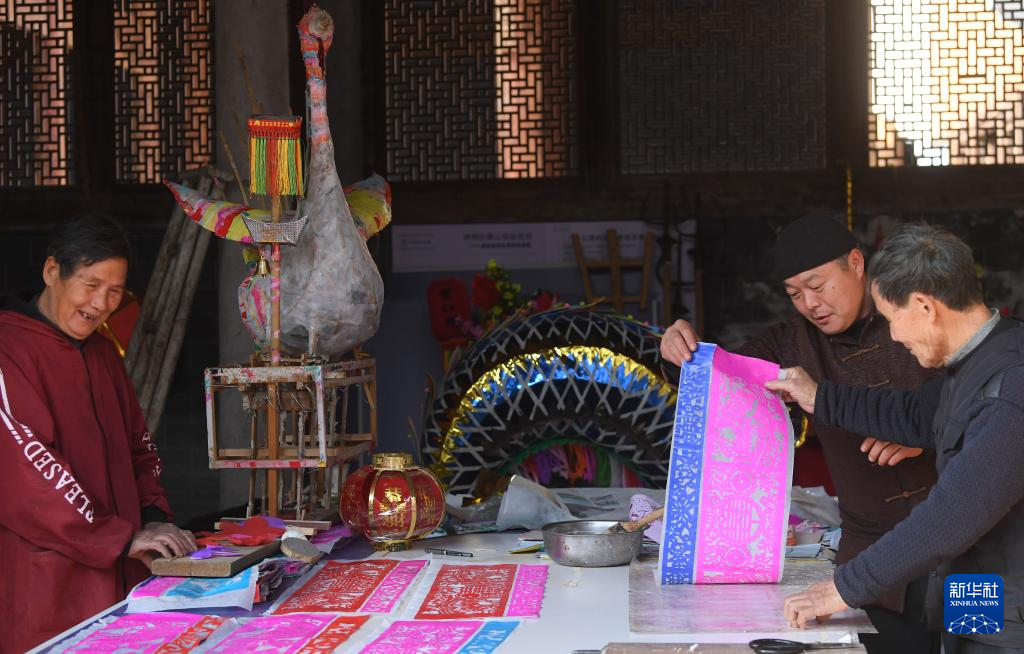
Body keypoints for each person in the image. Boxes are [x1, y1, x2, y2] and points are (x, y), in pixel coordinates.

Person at [661, 216, 940, 654]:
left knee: (982, 639)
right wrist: (678, 353)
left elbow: (982, 395)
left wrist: (926, 431)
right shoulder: (790, 344)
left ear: (856, 263)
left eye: (818, 285)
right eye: (794, 294)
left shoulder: (916, 315)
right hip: (872, 555)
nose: (810, 303)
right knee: (890, 649)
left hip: (966, 544)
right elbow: (722, 379)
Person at [770, 223, 1024, 653]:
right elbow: (914, 414)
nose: (893, 335)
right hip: (977, 584)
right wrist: (818, 397)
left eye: (891, 319)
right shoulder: (978, 360)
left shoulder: (1011, 386)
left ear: (924, 306)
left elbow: (953, 516)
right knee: (961, 645)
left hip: (1011, 604)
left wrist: (843, 588)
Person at [0, 214, 198, 652]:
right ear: (52, 271)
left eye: (115, 291)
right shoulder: (8, 350)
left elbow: (138, 444)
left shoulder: (104, 352)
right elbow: (28, 475)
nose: (101, 303)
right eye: (90, 285)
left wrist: (153, 515)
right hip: (50, 587)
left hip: (123, 579)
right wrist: (120, 537)